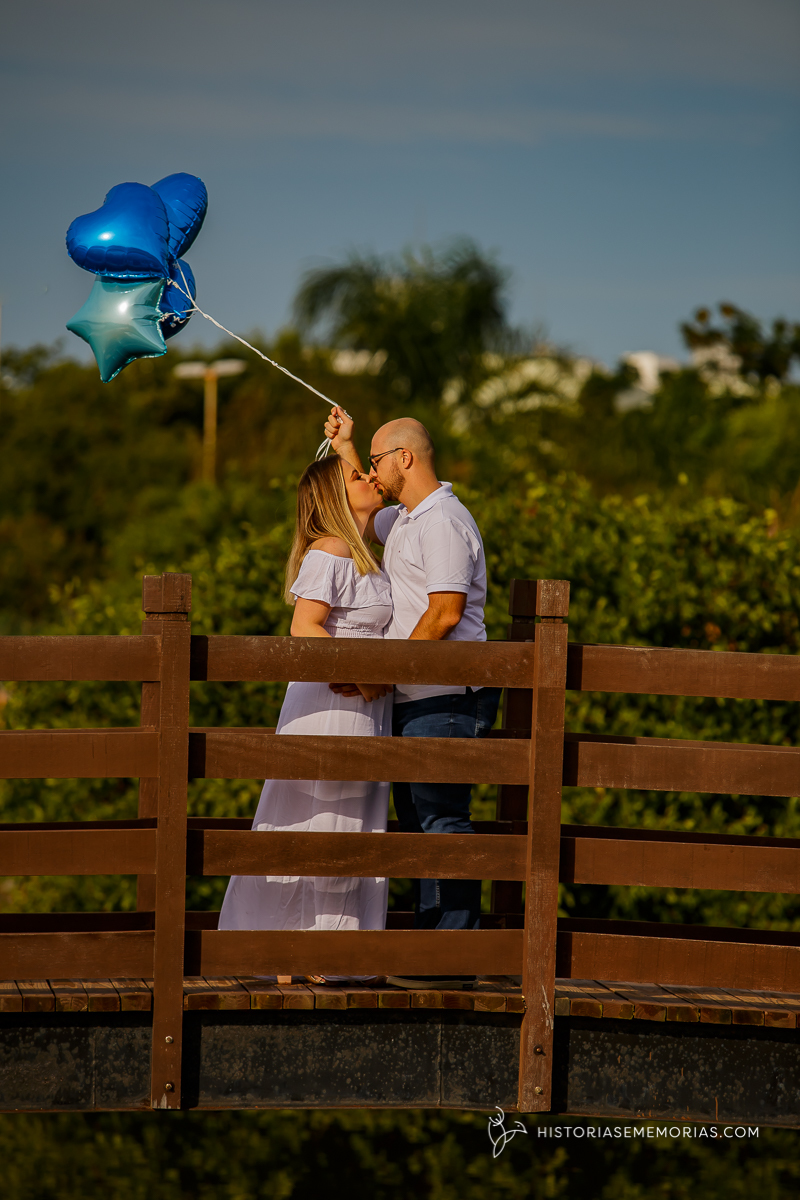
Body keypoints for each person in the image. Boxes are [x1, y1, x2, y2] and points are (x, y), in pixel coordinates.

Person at [324, 407, 501, 989]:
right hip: (418, 693)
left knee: (441, 820)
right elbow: (360, 504)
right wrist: (347, 448)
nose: (372, 472)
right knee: (422, 823)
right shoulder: (405, 518)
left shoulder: (443, 521)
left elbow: (445, 613)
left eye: (379, 461)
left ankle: (449, 960)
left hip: (445, 696)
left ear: (406, 457)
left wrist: (384, 672)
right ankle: (432, 953)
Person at [218, 455, 392, 984]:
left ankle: (325, 951)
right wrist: (364, 677)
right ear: (336, 497)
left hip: (363, 708)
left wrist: (345, 443)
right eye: (357, 475)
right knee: (322, 819)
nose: (369, 476)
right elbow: (305, 627)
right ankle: (306, 952)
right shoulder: (331, 550)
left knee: (348, 822)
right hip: (334, 704)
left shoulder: (364, 552)